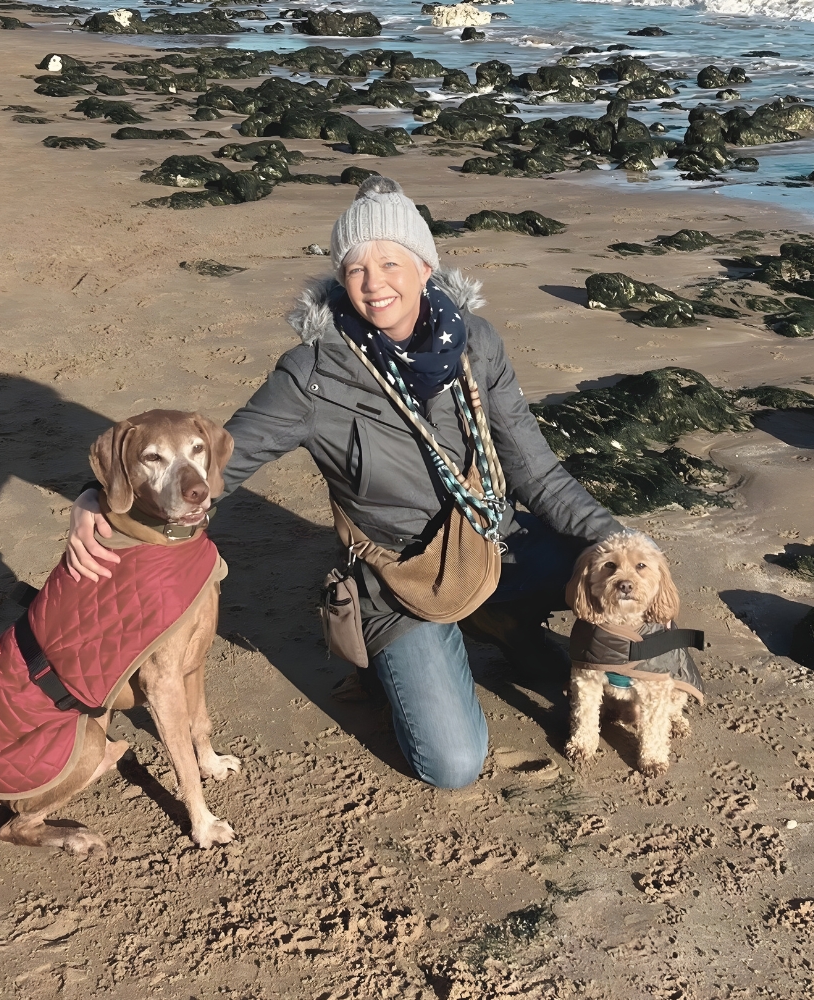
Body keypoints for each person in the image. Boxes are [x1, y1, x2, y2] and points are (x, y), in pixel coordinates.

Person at [65, 178, 624, 789]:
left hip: (493, 538)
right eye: (356, 268)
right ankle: (397, 658)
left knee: (638, 597)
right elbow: (218, 468)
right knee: (453, 765)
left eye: (391, 263)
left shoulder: (477, 345)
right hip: (400, 578)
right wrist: (99, 497)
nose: (374, 283)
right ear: (340, 278)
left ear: (426, 266)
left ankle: (497, 615)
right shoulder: (312, 374)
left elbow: (536, 471)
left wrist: (621, 542)